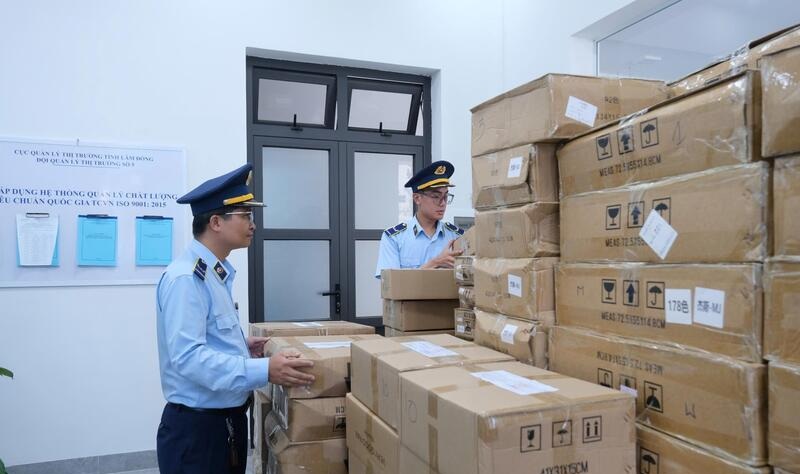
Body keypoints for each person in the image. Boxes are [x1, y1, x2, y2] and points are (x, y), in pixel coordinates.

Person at [155, 163, 315, 474]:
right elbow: (188, 358)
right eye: (246, 215)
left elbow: (207, 337)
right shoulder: (186, 279)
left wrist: (242, 346)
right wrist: (265, 369)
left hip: (224, 424)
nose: (253, 224)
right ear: (216, 222)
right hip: (198, 432)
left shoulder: (214, 274)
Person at [375, 160, 465, 278]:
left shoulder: (456, 236)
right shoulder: (394, 238)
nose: (443, 203)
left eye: (446, 196)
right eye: (436, 196)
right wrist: (436, 263)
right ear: (417, 198)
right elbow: (392, 283)